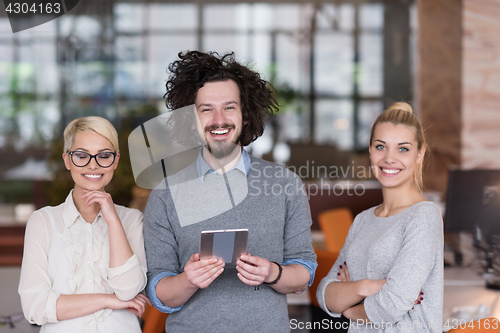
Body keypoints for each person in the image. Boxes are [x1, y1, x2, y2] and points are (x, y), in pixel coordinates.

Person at [143, 51, 317, 332]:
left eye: (229, 107)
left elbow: (303, 271)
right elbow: (158, 292)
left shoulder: (285, 184)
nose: (219, 119)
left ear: (246, 116)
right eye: (206, 109)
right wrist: (188, 280)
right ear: (191, 120)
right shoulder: (165, 194)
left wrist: (272, 273)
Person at [317, 102, 443, 332]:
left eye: (403, 149)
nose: (389, 158)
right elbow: (325, 295)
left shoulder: (424, 216)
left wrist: (349, 310)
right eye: (381, 146)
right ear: (370, 150)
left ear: (419, 153)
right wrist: (366, 287)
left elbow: (391, 306)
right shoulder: (363, 220)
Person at [18, 117, 149, 333]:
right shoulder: (42, 221)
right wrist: (107, 300)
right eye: (81, 155)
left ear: (115, 161)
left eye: (104, 155)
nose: (93, 164)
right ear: (67, 160)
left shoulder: (132, 220)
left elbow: (128, 291)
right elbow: (35, 307)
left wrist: (112, 219)